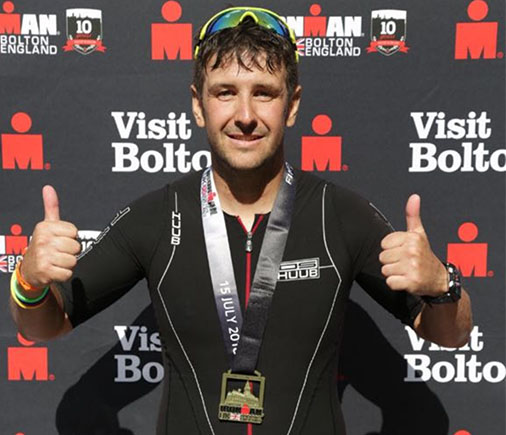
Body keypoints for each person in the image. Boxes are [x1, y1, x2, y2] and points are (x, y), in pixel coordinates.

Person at [10, 7, 472, 435]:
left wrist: (442, 285)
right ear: (198, 104)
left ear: (291, 105)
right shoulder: (156, 216)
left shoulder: (341, 214)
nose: (245, 116)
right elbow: (45, 325)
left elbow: (451, 334)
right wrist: (29, 282)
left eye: (264, 94)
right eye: (225, 93)